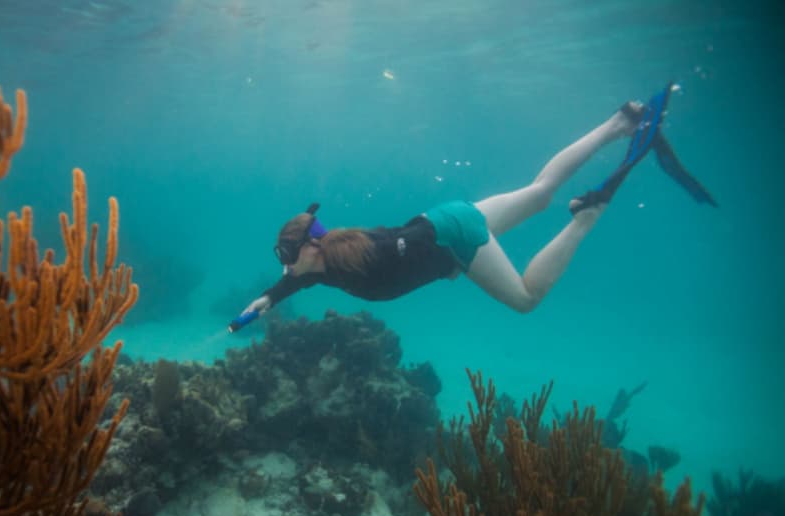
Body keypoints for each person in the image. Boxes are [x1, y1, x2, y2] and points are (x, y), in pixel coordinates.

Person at [228, 84, 714, 332]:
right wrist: (267, 299)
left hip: (453, 237)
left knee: (525, 300)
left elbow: (412, 244)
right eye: (282, 258)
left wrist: (451, 264)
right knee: (540, 192)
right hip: (450, 214)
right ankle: (620, 123)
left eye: (288, 255)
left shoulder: (366, 256)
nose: (286, 266)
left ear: (313, 246)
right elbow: (296, 281)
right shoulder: (319, 264)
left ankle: (585, 217)